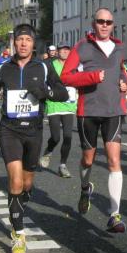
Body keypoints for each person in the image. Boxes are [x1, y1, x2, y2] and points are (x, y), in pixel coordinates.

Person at [0, 24, 68, 253]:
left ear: (34, 44)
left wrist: (46, 93)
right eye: (20, 39)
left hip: (33, 130)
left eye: (28, 40)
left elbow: (62, 92)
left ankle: (19, 206)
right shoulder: (2, 68)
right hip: (9, 129)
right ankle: (18, 234)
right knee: (15, 181)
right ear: (14, 42)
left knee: (26, 183)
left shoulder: (44, 67)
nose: (23, 43)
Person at [60, 7, 127, 233]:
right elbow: (65, 77)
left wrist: (124, 82)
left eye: (108, 22)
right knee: (88, 160)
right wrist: (91, 77)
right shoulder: (82, 47)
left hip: (113, 111)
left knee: (114, 161)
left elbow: (121, 70)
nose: (104, 25)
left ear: (113, 25)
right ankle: (85, 187)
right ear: (93, 24)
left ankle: (114, 214)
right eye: (100, 21)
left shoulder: (119, 47)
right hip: (88, 111)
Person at [40, 44, 77, 178]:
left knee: (68, 136)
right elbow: (42, 81)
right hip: (54, 103)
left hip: (69, 105)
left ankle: (62, 165)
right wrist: (47, 92)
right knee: (56, 137)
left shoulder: (74, 66)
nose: (65, 52)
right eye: (62, 50)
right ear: (57, 52)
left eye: (67, 50)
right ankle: (48, 151)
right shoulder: (50, 65)